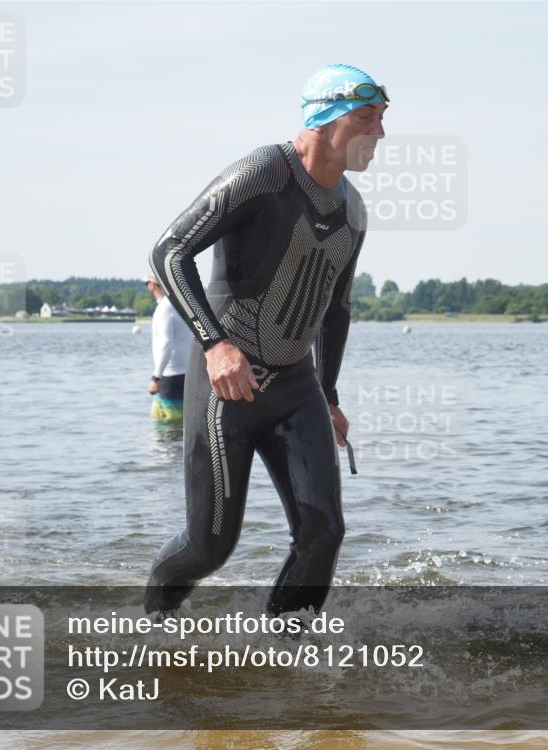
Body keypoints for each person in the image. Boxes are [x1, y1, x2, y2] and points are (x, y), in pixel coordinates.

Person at [144, 63, 386, 618]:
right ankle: (151, 625)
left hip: (296, 388)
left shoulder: (353, 210)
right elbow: (168, 252)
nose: (379, 133)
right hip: (227, 385)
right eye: (366, 118)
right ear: (324, 120)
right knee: (210, 546)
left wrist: (329, 394)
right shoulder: (264, 173)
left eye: (381, 119)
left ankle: (283, 648)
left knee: (324, 532)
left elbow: (336, 309)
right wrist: (215, 344)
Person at [144, 271, 194, 423]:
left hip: (170, 375)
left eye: (146, 284)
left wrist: (156, 377)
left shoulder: (164, 308)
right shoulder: (180, 304)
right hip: (187, 372)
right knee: (183, 421)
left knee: (166, 424)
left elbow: (166, 343)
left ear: (152, 285)